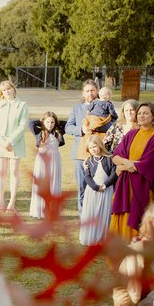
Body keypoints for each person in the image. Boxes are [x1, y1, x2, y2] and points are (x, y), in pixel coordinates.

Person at [109, 102, 154, 242]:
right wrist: (125, 164)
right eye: (139, 113)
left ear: (153, 116)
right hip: (124, 185)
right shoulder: (131, 134)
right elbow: (115, 156)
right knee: (121, 215)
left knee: (136, 220)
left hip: (141, 186)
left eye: (146, 113)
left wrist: (123, 166)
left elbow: (144, 165)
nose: (141, 116)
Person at [0, 80, 29, 211]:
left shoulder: (22, 105)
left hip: (15, 144)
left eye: (9, 88)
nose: (7, 91)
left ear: (13, 89)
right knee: (1, 173)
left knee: (13, 173)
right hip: (0, 144)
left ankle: (12, 202)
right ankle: (1, 202)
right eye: (4, 90)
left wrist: (10, 141)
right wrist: (1, 141)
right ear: (1, 92)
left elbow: (22, 126)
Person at [65, 80, 104, 210]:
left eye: (92, 90)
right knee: (82, 184)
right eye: (87, 91)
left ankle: (94, 212)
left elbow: (112, 124)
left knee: (96, 183)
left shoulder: (103, 106)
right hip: (80, 152)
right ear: (83, 92)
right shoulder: (77, 108)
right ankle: (83, 214)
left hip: (97, 152)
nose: (90, 93)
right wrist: (81, 129)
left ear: (97, 91)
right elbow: (68, 127)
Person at [79, 135, 117, 245]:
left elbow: (114, 174)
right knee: (92, 213)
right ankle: (91, 236)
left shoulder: (109, 159)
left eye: (95, 146)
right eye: (90, 148)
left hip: (106, 190)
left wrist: (105, 185)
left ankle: (102, 238)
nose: (93, 150)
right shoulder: (89, 161)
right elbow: (87, 177)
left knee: (103, 213)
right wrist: (95, 187)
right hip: (92, 190)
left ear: (100, 145)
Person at [29, 111, 62, 219]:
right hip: (43, 160)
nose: (50, 124)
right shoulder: (39, 132)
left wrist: (56, 122)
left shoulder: (58, 132)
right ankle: (40, 210)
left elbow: (66, 123)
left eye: (52, 122)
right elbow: (30, 123)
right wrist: (42, 122)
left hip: (54, 160)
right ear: (43, 122)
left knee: (53, 183)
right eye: (48, 122)